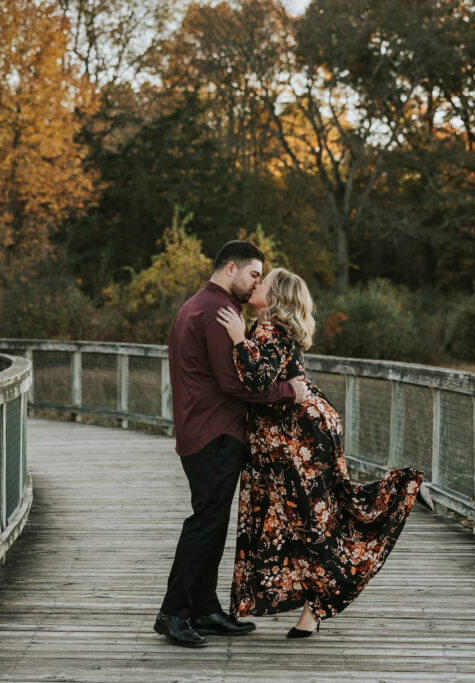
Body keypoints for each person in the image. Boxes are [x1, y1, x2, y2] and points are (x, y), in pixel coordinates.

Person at [216, 267, 432, 638]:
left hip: (297, 441)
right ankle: (310, 610)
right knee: (310, 516)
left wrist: (237, 338)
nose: (256, 284)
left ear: (277, 297)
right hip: (299, 436)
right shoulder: (271, 329)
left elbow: (256, 380)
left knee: (310, 526)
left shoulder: (270, 329)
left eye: (263, 283)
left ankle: (402, 489)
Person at [154, 241, 308, 648]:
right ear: (231, 269)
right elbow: (237, 383)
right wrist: (287, 392)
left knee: (213, 522)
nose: (257, 281)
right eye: (254, 274)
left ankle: (204, 608)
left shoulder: (199, 305)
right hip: (214, 433)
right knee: (205, 524)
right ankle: (173, 612)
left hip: (203, 430)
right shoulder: (218, 313)